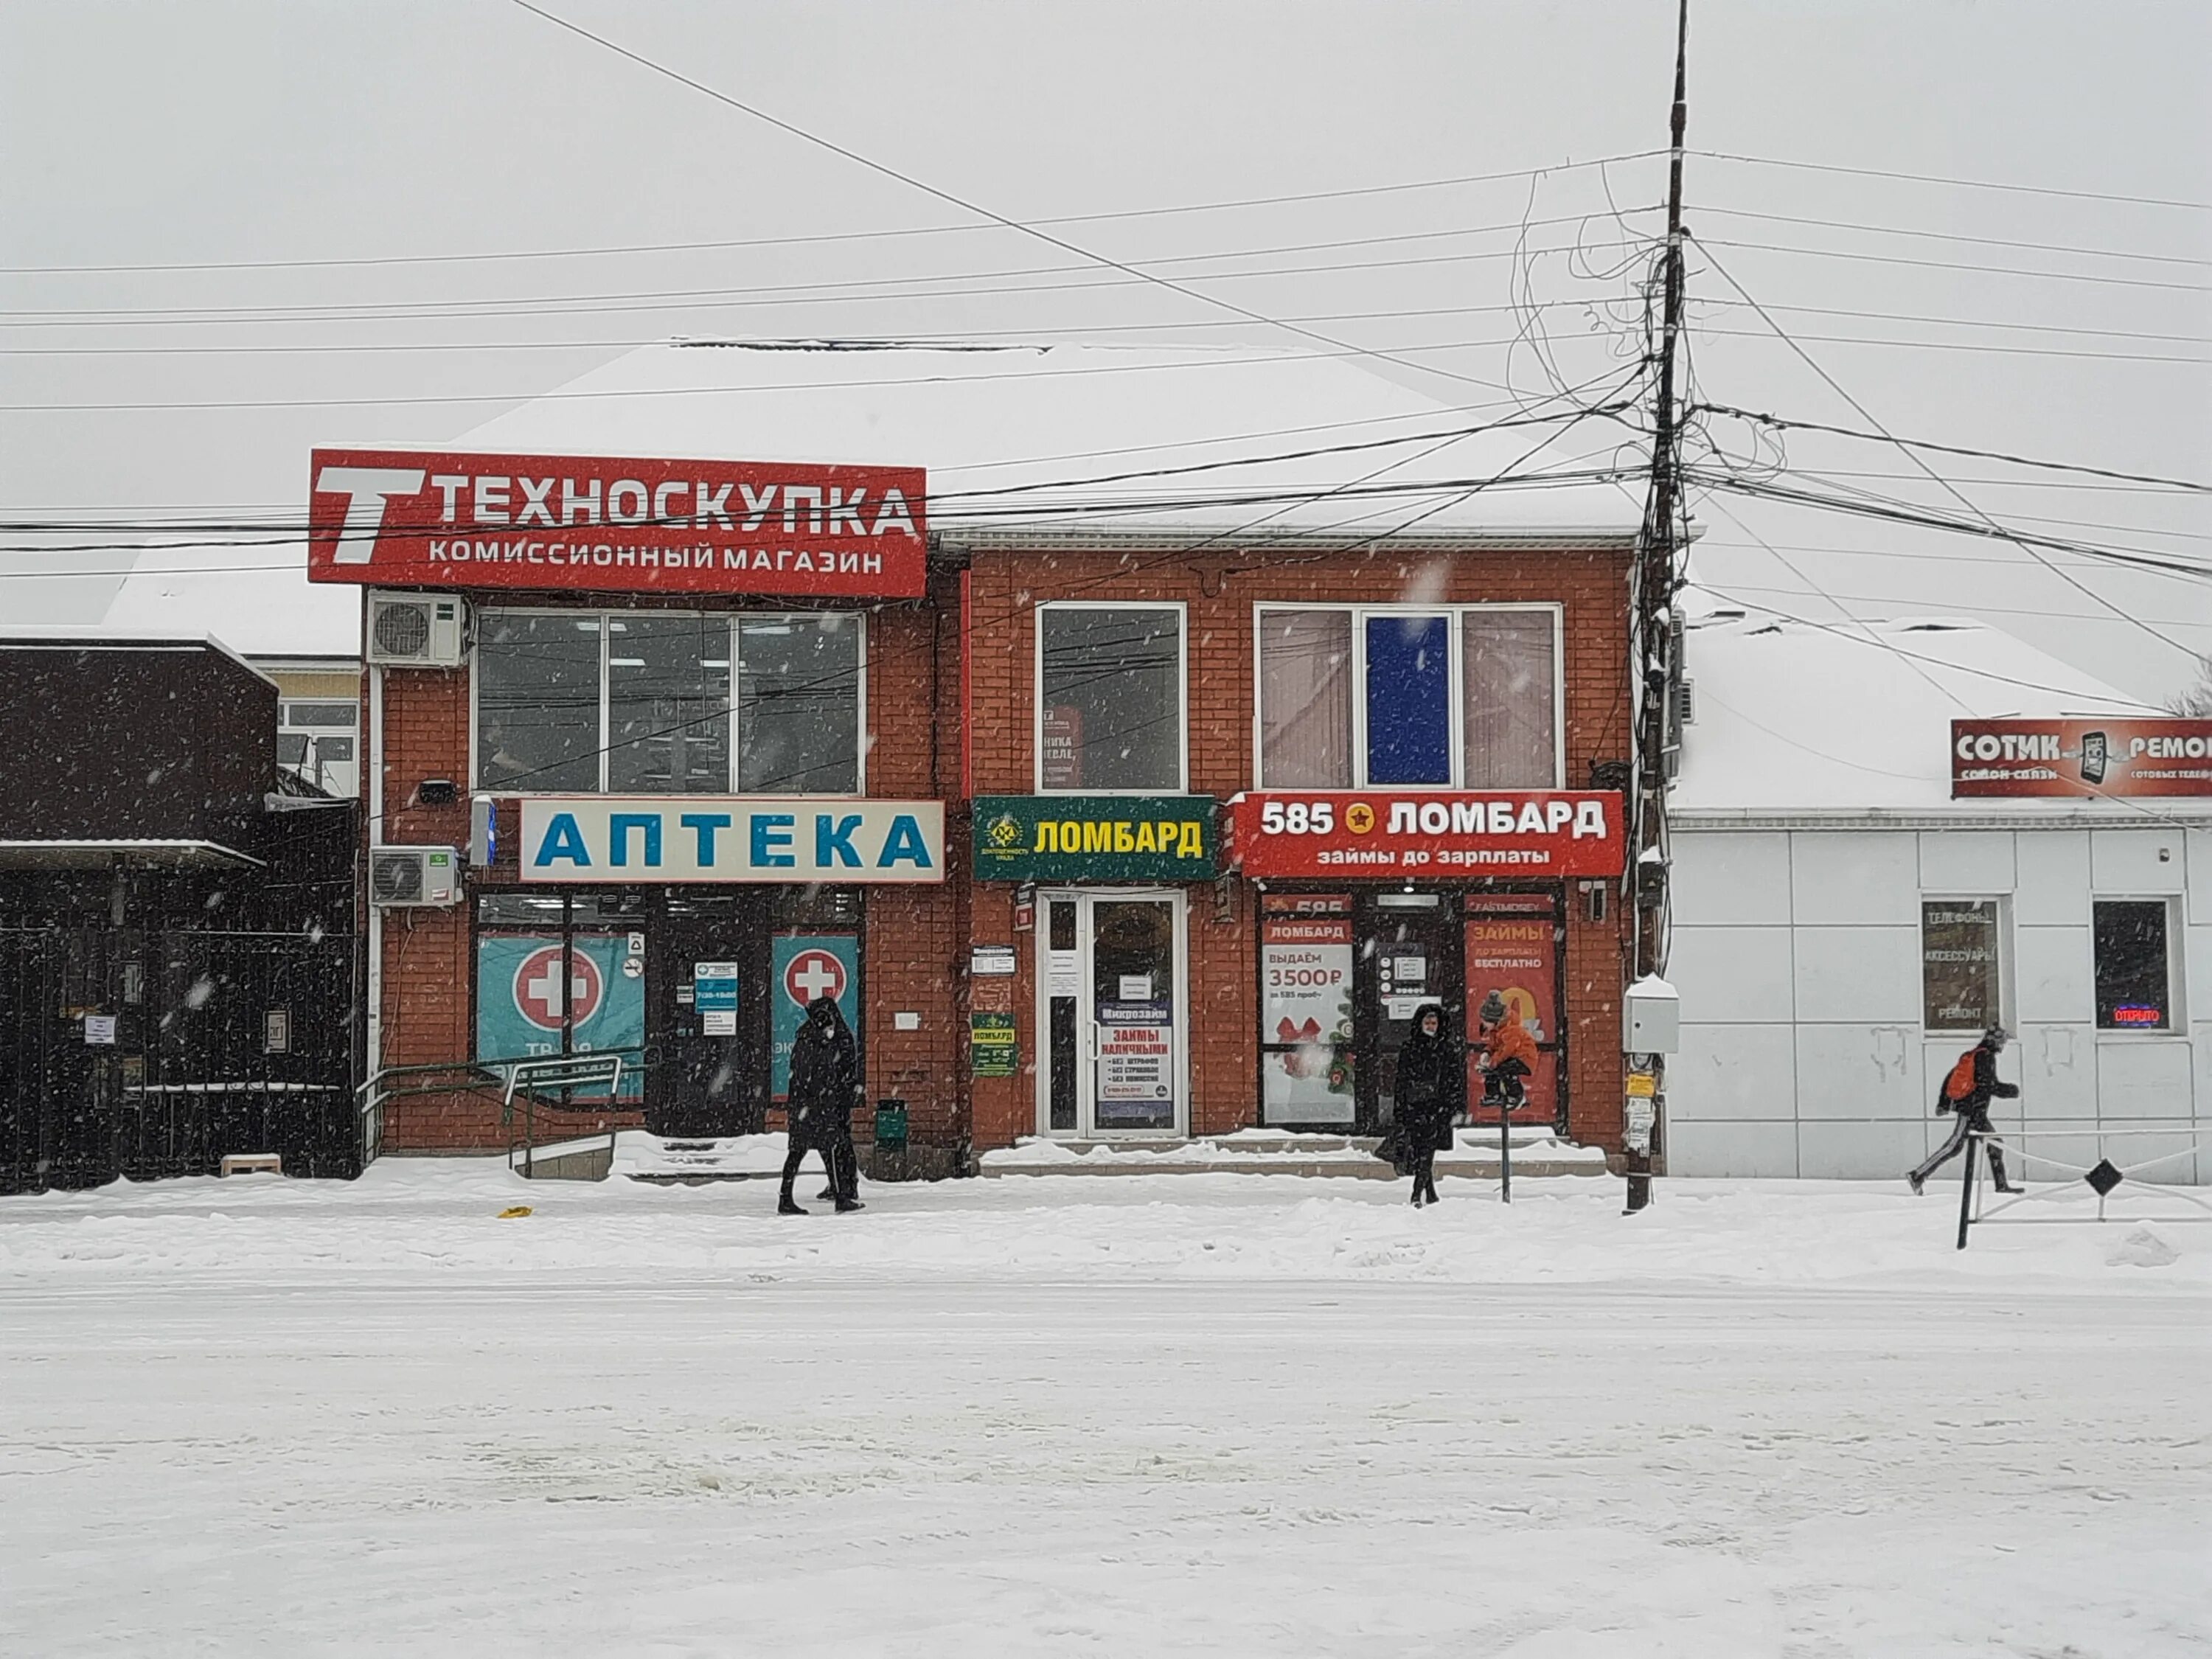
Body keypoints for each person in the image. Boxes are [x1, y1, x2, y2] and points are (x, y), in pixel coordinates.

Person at [1909, 1024, 2024, 1195]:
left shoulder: (1978, 1054)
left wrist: (1944, 1103)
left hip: (1977, 1112)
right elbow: (1986, 1085)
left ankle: (2001, 1185)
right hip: (1970, 1110)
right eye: (2002, 1042)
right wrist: (2010, 1091)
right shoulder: (1984, 1057)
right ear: (1995, 1042)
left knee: (1994, 1145)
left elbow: (1952, 1076)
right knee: (1953, 1146)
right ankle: (1917, 1175)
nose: (2003, 1046)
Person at [778, 996, 863, 1215]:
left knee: (821, 1151)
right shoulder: (813, 1043)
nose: (831, 1029)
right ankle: (836, 1196)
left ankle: (838, 1195)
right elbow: (812, 1077)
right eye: (828, 1025)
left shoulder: (813, 1040)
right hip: (814, 1107)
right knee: (814, 1151)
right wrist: (826, 1096)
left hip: (813, 1106)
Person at [1393, 1002, 1461, 1206]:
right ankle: (1430, 1194)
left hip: (1437, 1107)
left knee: (1427, 1149)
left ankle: (1416, 1194)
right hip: (1414, 1106)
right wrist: (1400, 1108)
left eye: (1434, 1022)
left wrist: (1453, 1105)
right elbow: (1401, 1079)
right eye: (1427, 1022)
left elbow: (1454, 1079)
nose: (1431, 1026)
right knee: (1422, 1150)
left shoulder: (1447, 1049)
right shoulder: (1410, 1047)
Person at [1473, 990, 1537, 1112]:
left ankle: (1516, 1096)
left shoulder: (1511, 1030)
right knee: (1493, 1071)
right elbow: (1494, 1046)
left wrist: (1495, 1061)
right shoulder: (1496, 1031)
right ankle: (1493, 1094)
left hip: (1524, 1058)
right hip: (1511, 1057)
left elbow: (1507, 1050)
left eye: (1486, 1022)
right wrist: (1487, 1053)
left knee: (1506, 1071)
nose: (1484, 1024)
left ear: (1495, 1020)